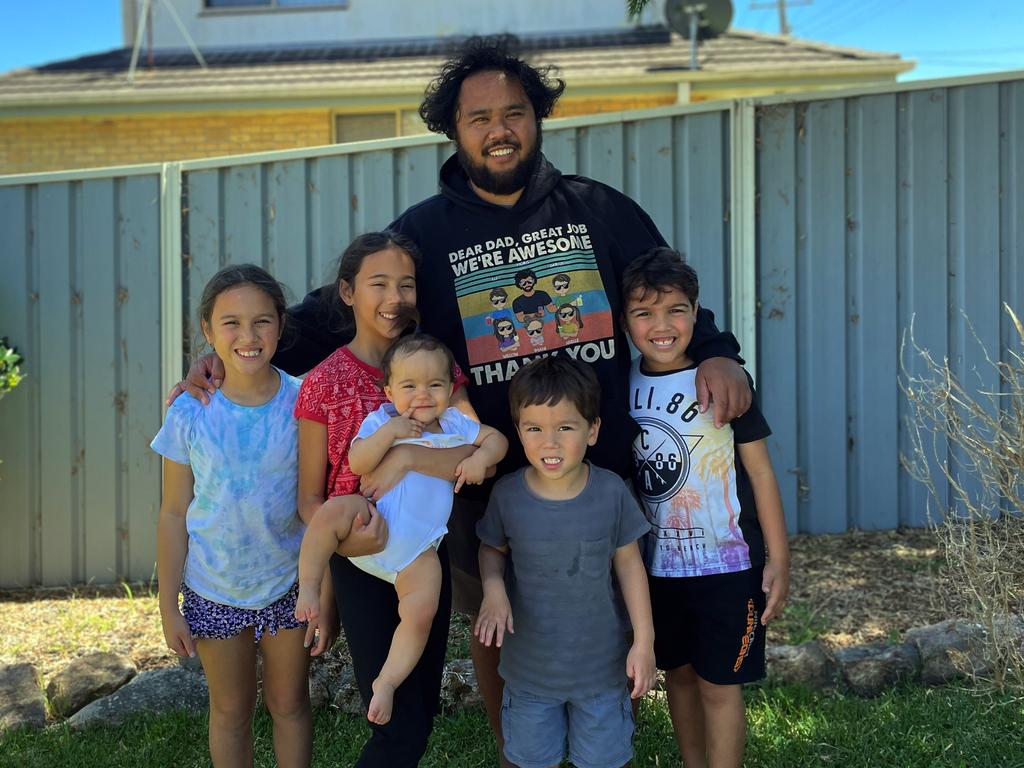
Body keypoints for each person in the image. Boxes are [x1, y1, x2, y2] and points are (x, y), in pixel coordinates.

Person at [171, 36, 753, 765]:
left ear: (538, 119)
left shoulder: (601, 211)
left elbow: (664, 293)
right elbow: (335, 311)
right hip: (483, 487)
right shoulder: (425, 233)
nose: (498, 130)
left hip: (596, 475)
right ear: (453, 129)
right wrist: (229, 357)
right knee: (497, 627)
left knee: (598, 619)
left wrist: (721, 348)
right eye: (478, 118)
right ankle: (522, 753)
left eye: (514, 113)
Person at [289, 231, 479, 767]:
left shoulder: (436, 370)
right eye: (379, 284)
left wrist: (411, 459)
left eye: (407, 284)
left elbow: (472, 456)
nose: (395, 297)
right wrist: (341, 554)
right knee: (399, 723)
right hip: (361, 560)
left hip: (423, 549)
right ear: (347, 292)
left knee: (418, 708)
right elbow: (310, 497)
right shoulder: (323, 382)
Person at [153, 264, 330, 768]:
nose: (248, 337)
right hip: (214, 584)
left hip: (290, 583)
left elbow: (321, 506)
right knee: (230, 711)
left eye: (262, 322)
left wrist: (326, 595)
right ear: (208, 332)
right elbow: (172, 512)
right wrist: (169, 605)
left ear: (281, 325)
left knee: (290, 704)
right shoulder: (190, 411)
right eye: (230, 323)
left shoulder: (305, 402)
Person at [620, 247, 790, 768]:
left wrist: (779, 559)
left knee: (720, 685)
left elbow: (760, 471)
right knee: (681, 677)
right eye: (644, 313)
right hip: (656, 568)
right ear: (624, 320)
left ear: (697, 313)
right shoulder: (619, 387)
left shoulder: (724, 382)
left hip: (727, 567)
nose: (661, 325)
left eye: (676, 310)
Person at [294, 332, 507, 726]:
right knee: (331, 513)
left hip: (416, 553)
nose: (422, 395)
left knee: (420, 615)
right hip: (369, 522)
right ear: (389, 391)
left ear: (450, 388)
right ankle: (308, 586)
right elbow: (357, 463)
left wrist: (482, 459)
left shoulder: (455, 424)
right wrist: (389, 435)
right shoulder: (381, 419)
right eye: (409, 386)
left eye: (435, 385)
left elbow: (497, 440)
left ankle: (388, 682)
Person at [474, 356, 656, 768]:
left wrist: (644, 641)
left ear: (592, 430)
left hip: (602, 674)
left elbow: (630, 567)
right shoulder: (507, 496)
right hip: (530, 675)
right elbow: (490, 549)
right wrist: (493, 588)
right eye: (534, 428)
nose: (549, 443)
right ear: (518, 430)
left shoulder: (611, 493)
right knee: (527, 760)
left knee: (605, 761)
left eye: (565, 428)